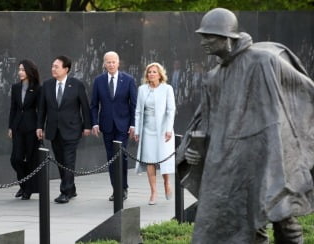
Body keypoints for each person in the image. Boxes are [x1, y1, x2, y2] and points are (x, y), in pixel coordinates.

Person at [177, 8, 314, 244]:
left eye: (209, 36)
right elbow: (206, 122)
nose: (203, 42)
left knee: (282, 215)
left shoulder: (264, 61)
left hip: (267, 154)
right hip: (231, 162)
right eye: (203, 36)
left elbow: (303, 93)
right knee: (245, 221)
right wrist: (193, 149)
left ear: (227, 38)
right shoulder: (213, 77)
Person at [37, 55, 91, 204]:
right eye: (52, 66)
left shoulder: (77, 84)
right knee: (60, 161)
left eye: (56, 66)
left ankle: (65, 192)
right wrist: (39, 126)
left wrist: (87, 126)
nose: (53, 69)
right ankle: (71, 188)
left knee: (69, 160)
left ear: (66, 69)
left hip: (72, 129)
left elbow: (85, 106)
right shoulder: (47, 85)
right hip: (54, 130)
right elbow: (42, 108)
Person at [90, 51, 137, 201]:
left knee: (121, 156)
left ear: (118, 63)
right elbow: (94, 105)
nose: (111, 64)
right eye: (108, 62)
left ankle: (123, 187)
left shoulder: (128, 80)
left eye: (113, 62)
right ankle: (115, 189)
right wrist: (95, 123)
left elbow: (134, 104)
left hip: (123, 125)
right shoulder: (99, 81)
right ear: (104, 64)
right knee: (111, 157)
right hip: (107, 125)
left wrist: (133, 125)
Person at [133, 62, 176, 205]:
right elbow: (138, 111)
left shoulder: (167, 89)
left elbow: (171, 110)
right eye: (149, 72)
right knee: (150, 160)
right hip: (147, 129)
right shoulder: (142, 89)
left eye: (154, 72)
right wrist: (138, 131)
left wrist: (169, 129)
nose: (151, 74)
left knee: (163, 158)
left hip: (163, 128)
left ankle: (167, 183)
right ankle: (153, 192)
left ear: (160, 74)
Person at [8, 59, 41, 200]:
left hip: (32, 128)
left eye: (23, 69)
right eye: (19, 69)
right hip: (17, 128)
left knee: (32, 159)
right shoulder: (15, 87)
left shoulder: (38, 88)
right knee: (16, 159)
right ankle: (24, 184)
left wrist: (40, 127)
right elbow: (13, 109)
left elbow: (40, 110)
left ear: (29, 71)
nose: (20, 72)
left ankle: (27, 189)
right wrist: (10, 127)